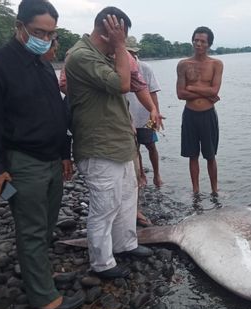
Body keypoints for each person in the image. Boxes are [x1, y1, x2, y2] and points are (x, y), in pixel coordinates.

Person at [0, 0, 82, 309]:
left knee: (46, 226)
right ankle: (44, 298)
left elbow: (57, 112)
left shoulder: (42, 63)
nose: (46, 40)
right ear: (19, 26)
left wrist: (65, 152)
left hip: (51, 159)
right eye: (39, 32)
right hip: (23, 161)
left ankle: (41, 276)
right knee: (31, 228)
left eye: (51, 34)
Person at [65, 6, 158, 280]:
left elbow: (133, 83)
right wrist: (119, 47)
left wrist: (116, 49)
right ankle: (102, 262)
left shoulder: (103, 55)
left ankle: (125, 244)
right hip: (99, 145)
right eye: (121, 36)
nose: (125, 43)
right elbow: (121, 84)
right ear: (108, 32)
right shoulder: (81, 57)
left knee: (127, 198)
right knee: (105, 206)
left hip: (119, 142)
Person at [176, 26, 223, 195]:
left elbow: (214, 91)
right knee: (192, 155)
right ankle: (196, 191)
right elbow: (180, 94)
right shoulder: (183, 65)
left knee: (210, 155)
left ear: (209, 44)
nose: (199, 44)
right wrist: (205, 91)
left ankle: (214, 190)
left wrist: (192, 87)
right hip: (190, 115)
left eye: (203, 41)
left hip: (208, 114)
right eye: (196, 40)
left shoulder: (216, 64)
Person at [126, 36, 163, 189]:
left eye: (132, 52)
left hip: (146, 115)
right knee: (135, 149)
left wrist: (156, 114)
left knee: (151, 146)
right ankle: (141, 174)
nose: (130, 55)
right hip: (129, 118)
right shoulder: (119, 68)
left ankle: (157, 174)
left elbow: (153, 92)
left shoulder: (145, 68)